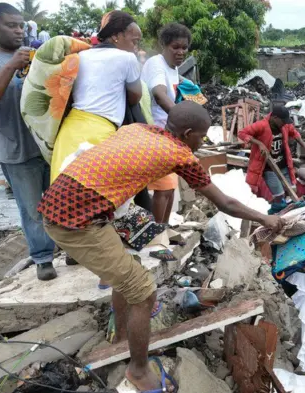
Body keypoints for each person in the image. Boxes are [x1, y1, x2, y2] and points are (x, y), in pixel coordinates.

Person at [38, 101, 282, 392]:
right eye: (201, 137)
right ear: (189, 133)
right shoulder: (179, 154)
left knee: (131, 268)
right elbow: (225, 202)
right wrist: (266, 217)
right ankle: (138, 370)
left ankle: (121, 337)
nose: (202, 142)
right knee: (143, 292)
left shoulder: (139, 129)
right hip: (75, 219)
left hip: (69, 201)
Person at [0, 3, 57, 281]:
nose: (19, 30)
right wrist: (11, 66)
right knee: (32, 209)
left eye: (21, 25)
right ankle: (43, 258)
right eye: (11, 25)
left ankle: (71, 248)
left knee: (61, 201)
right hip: (17, 150)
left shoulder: (36, 54)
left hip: (49, 145)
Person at [50, 10, 142, 182]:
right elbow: (136, 96)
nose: (135, 47)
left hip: (70, 132)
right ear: (116, 36)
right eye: (134, 41)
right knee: (96, 198)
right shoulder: (128, 58)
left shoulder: (82, 55)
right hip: (98, 133)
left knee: (64, 196)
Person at [140, 22, 191, 224]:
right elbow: (159, 95)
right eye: (175, 47)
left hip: (167, 135)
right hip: (155, 134)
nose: (180, 52)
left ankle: (164, 229)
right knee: (163, 188)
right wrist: (183, 120)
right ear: (164, 45)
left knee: (170, 187)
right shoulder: (156, 64)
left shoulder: (173, 69)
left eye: (184, 47)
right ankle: (156, 237)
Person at [238, 104, 305, 203]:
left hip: (283, 165)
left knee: (292, 190)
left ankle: (288, 210)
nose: (284, 124)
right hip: (269, 168)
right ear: (275, 118)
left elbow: (294, 133)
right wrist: (259, 143)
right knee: (280, 195)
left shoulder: (285, 126)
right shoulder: (261, 125)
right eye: (283, 121)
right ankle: (278, 212)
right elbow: (242, 133)